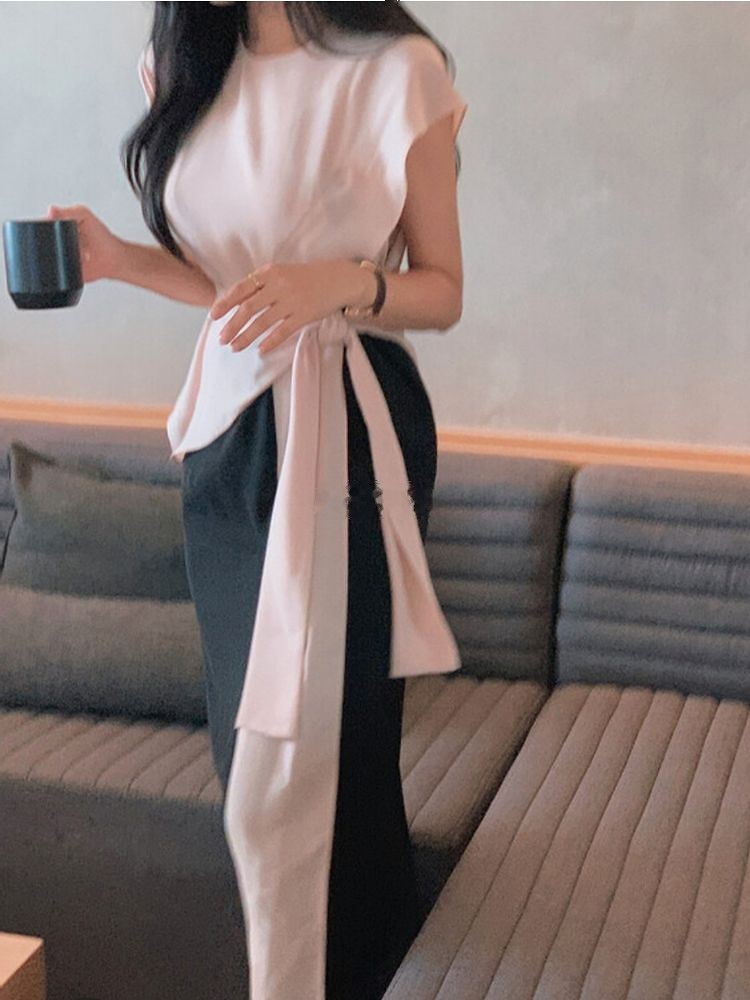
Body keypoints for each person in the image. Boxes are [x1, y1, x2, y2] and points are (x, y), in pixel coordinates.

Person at [48, 2, 468, 997]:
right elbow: (237, 290)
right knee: (251, 753)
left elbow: (443, 290)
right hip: (229, 434)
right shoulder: (181, 62)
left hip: (349, 424)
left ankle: (349, 970)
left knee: (317, 760)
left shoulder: (397, 68)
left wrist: (344, 283)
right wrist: (119, 260)